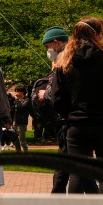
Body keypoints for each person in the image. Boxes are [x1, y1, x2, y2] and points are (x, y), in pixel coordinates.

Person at [49, 17, 103, 194]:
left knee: (78, 173)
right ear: (96, 34)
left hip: (77, 125)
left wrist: (70, 114)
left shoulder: (65, 62)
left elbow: (57, 97)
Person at [33, 26, 70, 193]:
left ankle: (57, 198)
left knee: (67, 165)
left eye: (48, 46)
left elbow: (57, 90)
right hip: (81, 119)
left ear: (56, 42)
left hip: (68, 121)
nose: (47, 51)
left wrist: (44, 93)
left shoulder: (65, 62)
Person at [11, 86, 30, 152]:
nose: (16, 92)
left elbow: (21, 107)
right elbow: (12, 109)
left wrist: (16, 99)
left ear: (22, 92)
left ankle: (26, 154)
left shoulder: (26, 101)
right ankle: (18, 153)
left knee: (22, 141)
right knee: (16, 140)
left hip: (22, 123)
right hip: (15, 122)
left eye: (17, 91)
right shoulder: (15, 101)